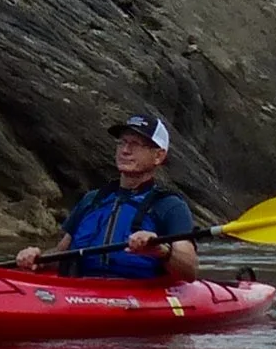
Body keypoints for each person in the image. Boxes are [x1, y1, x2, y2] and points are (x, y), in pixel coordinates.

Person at [16, 112, 199, 281]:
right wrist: (37, 259)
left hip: (139, 293)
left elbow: (189, 271)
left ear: (158, 156)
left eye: (135, 144)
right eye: (122, 143)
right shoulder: (92, 200)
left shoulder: (170, 206)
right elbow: (61, 254)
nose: (125, 150)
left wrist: (161, 250)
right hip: (83, 292)